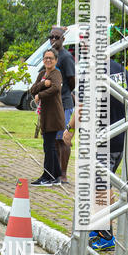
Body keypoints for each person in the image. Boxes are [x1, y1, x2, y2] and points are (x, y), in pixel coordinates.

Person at [66, 57, 128, 250]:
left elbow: (82, 108)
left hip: (102, 139)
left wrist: (69, 130)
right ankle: (98, 226)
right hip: (120, 134)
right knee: (102, 183)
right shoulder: (121, 69)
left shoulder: (90, 72)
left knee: (99, 186)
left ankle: (106, 234)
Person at [30, 48, 65, 185]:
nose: (48, 60)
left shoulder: (56, 74)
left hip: (53, 115)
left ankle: (47, 176)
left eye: (51, 58)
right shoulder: (42, 74)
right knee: (49, 146)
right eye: (46, 58)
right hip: (44, 115)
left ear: (56, 60)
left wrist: (40, 94)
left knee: (49, 146)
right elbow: (32, 89)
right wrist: (43, 84)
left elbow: (56, 88)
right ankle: (56, 175)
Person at [49, 27, 76, 183]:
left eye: (56, 37)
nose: (53, 40)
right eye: (51, 37)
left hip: (63, 104)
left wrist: (65, 93)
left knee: (62, 139)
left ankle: (63, 174)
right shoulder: (51, 56)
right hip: (50, 105)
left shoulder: (66, 57)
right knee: (53, 140)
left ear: (63, 39)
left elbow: (72, 80)